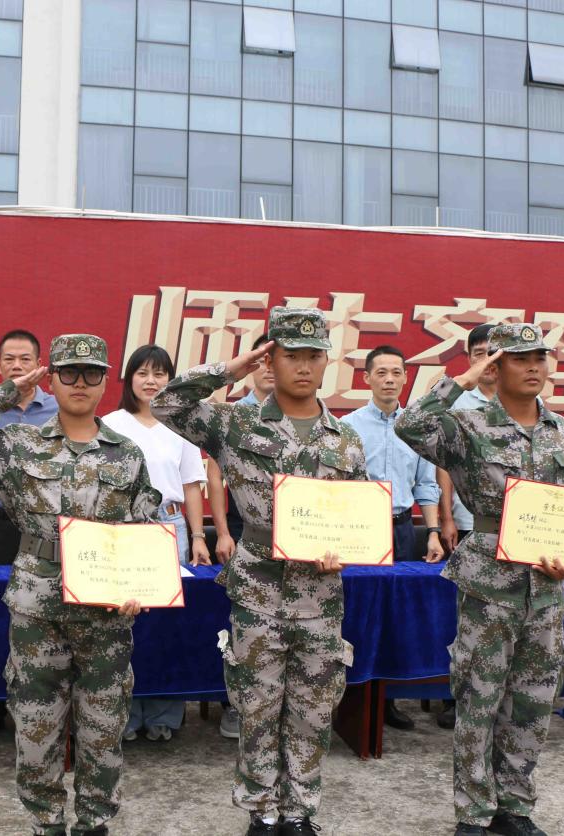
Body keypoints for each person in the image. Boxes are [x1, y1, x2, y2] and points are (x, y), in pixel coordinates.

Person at [152, 308, 367, 836]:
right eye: (291, 355)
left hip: (320, 593)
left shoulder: (345, 440)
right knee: (257, 705)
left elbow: (357, 515)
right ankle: (263, 810)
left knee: (314, 709)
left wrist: (345, 549)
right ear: (271, 360)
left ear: (326, 362)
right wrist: (232, 369)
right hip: (258, 587)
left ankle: (300, 811)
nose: (303, 366)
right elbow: (166, 403)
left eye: (313, 356)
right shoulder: (235, 424)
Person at [0, 333, 159, 836]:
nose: (80, 383)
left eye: (92, 373)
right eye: (69, 373)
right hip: (38, 608)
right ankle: (46, 822)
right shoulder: (18, 446)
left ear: (105, 381)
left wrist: (141, 587)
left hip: (106, 613)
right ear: (51, 379)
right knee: (36, 725)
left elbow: (143, 530)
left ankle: (94, 822)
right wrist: (8, 390)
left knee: (103, 727)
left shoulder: (126, 455)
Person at [396, 323, 564, 836]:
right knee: (478, 698)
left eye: (539, 358)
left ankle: (515, 808)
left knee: (533, 700)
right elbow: (410, 425)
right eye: (520, 359)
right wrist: (463, 378)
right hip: (489, 583)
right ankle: (474, 812)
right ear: (495, 367)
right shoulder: (467, 426)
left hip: (546, 589)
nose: (533, 368)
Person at [103, 344, 210, 744]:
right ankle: (127, 715)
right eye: (143, 373)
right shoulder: (109, 424)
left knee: (167, 626)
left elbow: (191, 485)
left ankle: (165, 713)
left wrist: (197, 536)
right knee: (125, 623)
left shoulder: (181, 424)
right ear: (129, 379)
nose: (151, 381)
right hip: (125, 528)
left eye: (160, 374)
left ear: (170, 380)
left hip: (171, 526)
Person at [340, 344, 443, 733]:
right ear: (366, 378)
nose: (389, 379)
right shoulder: (347, 426)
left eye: (396, 372)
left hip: (401, 528)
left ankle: (387, 700)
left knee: (395, 615)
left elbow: (426, 485)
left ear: (405, 378)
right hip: (358, 529)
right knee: (355, 611)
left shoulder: (416, 428)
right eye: (381, 372)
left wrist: (432, 532)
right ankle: (349, 696)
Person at [0, 328, 59, 746]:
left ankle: (41, 712)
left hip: (45, 528)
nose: (17, 366)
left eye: (25, 359)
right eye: (10, 359)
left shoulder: (58, 410)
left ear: (39, 365)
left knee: (43, 618)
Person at [205, 332, 274, 741]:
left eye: (278, 359)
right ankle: (235, 704)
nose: (270, 368)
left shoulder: (306, 419)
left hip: (294, 534)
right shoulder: (231, 417)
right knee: (241, 618)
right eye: (263, 360)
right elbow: (215, 476)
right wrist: (221, 532)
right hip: (241, 528)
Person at [433, 323, 496, 731]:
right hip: (471, 524)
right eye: (480, 353)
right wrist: (447, 516)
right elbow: (442, 464)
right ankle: (458, 700)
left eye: (495, 352)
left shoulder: (530, 404)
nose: (488, 361)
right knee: (468, 616)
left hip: (522, 532)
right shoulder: (458, 403)